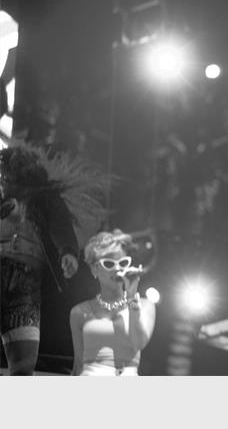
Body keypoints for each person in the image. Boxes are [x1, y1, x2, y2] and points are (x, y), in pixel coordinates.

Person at [0, 142, 104, 375]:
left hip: (26, 284)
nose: (3, 181)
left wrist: (68, 252)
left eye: (6, 177)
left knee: (23, 364)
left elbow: (60, 224)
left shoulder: (45, 199)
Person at [69, 229, 156, 376]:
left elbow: (138, 343)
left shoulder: (144, 305)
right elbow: (78, 365)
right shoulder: (79, 312)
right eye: (109, 263)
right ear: (94, 270)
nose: (117, 268)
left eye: (123, 262)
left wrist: (131, 299)